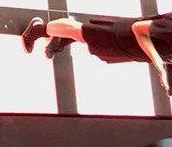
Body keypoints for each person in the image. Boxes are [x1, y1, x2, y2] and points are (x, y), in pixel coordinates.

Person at [21, 12, 172, 94]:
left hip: (133, 48)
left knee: (88, 39)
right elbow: (138, 29)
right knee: (80, 31)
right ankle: (36, 30)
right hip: (123, 36)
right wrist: (159, 66)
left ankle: (61, 38)